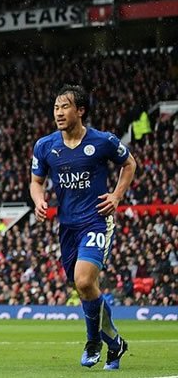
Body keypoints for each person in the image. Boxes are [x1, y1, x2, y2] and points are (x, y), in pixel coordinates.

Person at [30, 85, 136, 370]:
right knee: (86, 289)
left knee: (85, 281)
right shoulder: (45, 145)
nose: (59, 113)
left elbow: (129, 163)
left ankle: (93, 341)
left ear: (80, 110)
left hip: (96, 221)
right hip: (67, 227)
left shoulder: (103, 141)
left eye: (65, 107)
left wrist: (116, 196)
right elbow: (36, 181)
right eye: (56, 107)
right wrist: (39, 201)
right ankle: (115, 345)